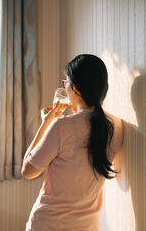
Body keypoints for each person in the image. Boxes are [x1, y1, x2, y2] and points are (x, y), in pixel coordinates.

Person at [21, 54, 124, 231]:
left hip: (48, 225)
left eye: (65, 82)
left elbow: (27, 171)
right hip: (87, 226)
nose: (64, 86)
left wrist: (46, 123)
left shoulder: (61, 127)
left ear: (74, 88)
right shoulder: (116, 126)